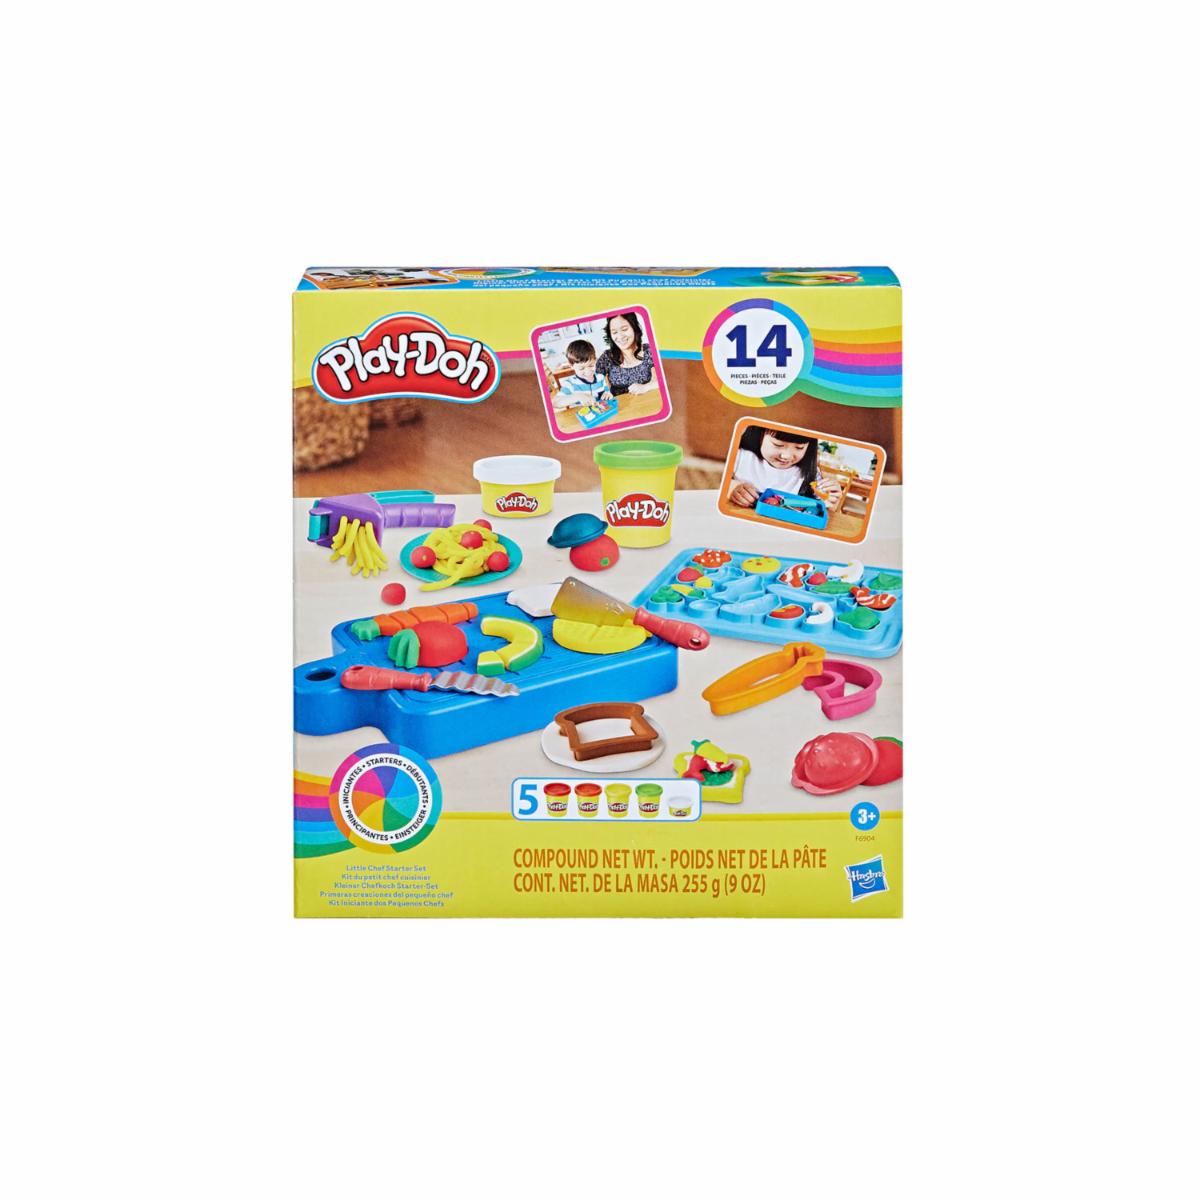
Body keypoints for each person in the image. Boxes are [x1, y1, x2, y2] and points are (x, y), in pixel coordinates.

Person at [728, 426, 819, 508]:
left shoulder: (812, 473)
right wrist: (731, 487)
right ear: (760, 435)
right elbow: (721, 482)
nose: (786, 456)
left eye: (799, 447)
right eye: (778, 445)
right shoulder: (739, 457)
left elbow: (820, 503)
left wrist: (826, 495)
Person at [595, 312, 657, 395]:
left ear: (634, 328)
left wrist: (646, 387)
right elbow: (589, 378)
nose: (620, 337)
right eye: (614, 332)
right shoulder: (607, 357)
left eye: (624, 329)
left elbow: (661, 379)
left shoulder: (649, 351)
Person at [553, 340, 612, 411]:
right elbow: (555, 402)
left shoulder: (600, 378)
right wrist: (578, 396)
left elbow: (607, 393)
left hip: (601, 413)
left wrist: (608, 395)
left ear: (595, 360)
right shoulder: (570, 383)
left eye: (591, 366)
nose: (588, 372)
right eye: (581, 368)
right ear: (571, 366)